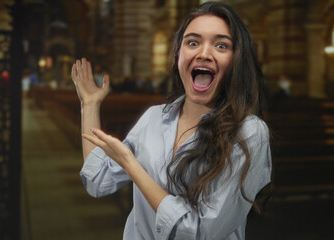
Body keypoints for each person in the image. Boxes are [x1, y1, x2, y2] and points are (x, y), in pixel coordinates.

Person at [71, 2, 272, 239]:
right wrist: (90, 104)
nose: (204, 53)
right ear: (178, 55)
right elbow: (98, 180)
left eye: (221, 45)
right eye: (193, 42)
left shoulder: (248, 131)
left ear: (236, 60)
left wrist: (132, 166)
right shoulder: (153, 118)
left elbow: (200, 233)